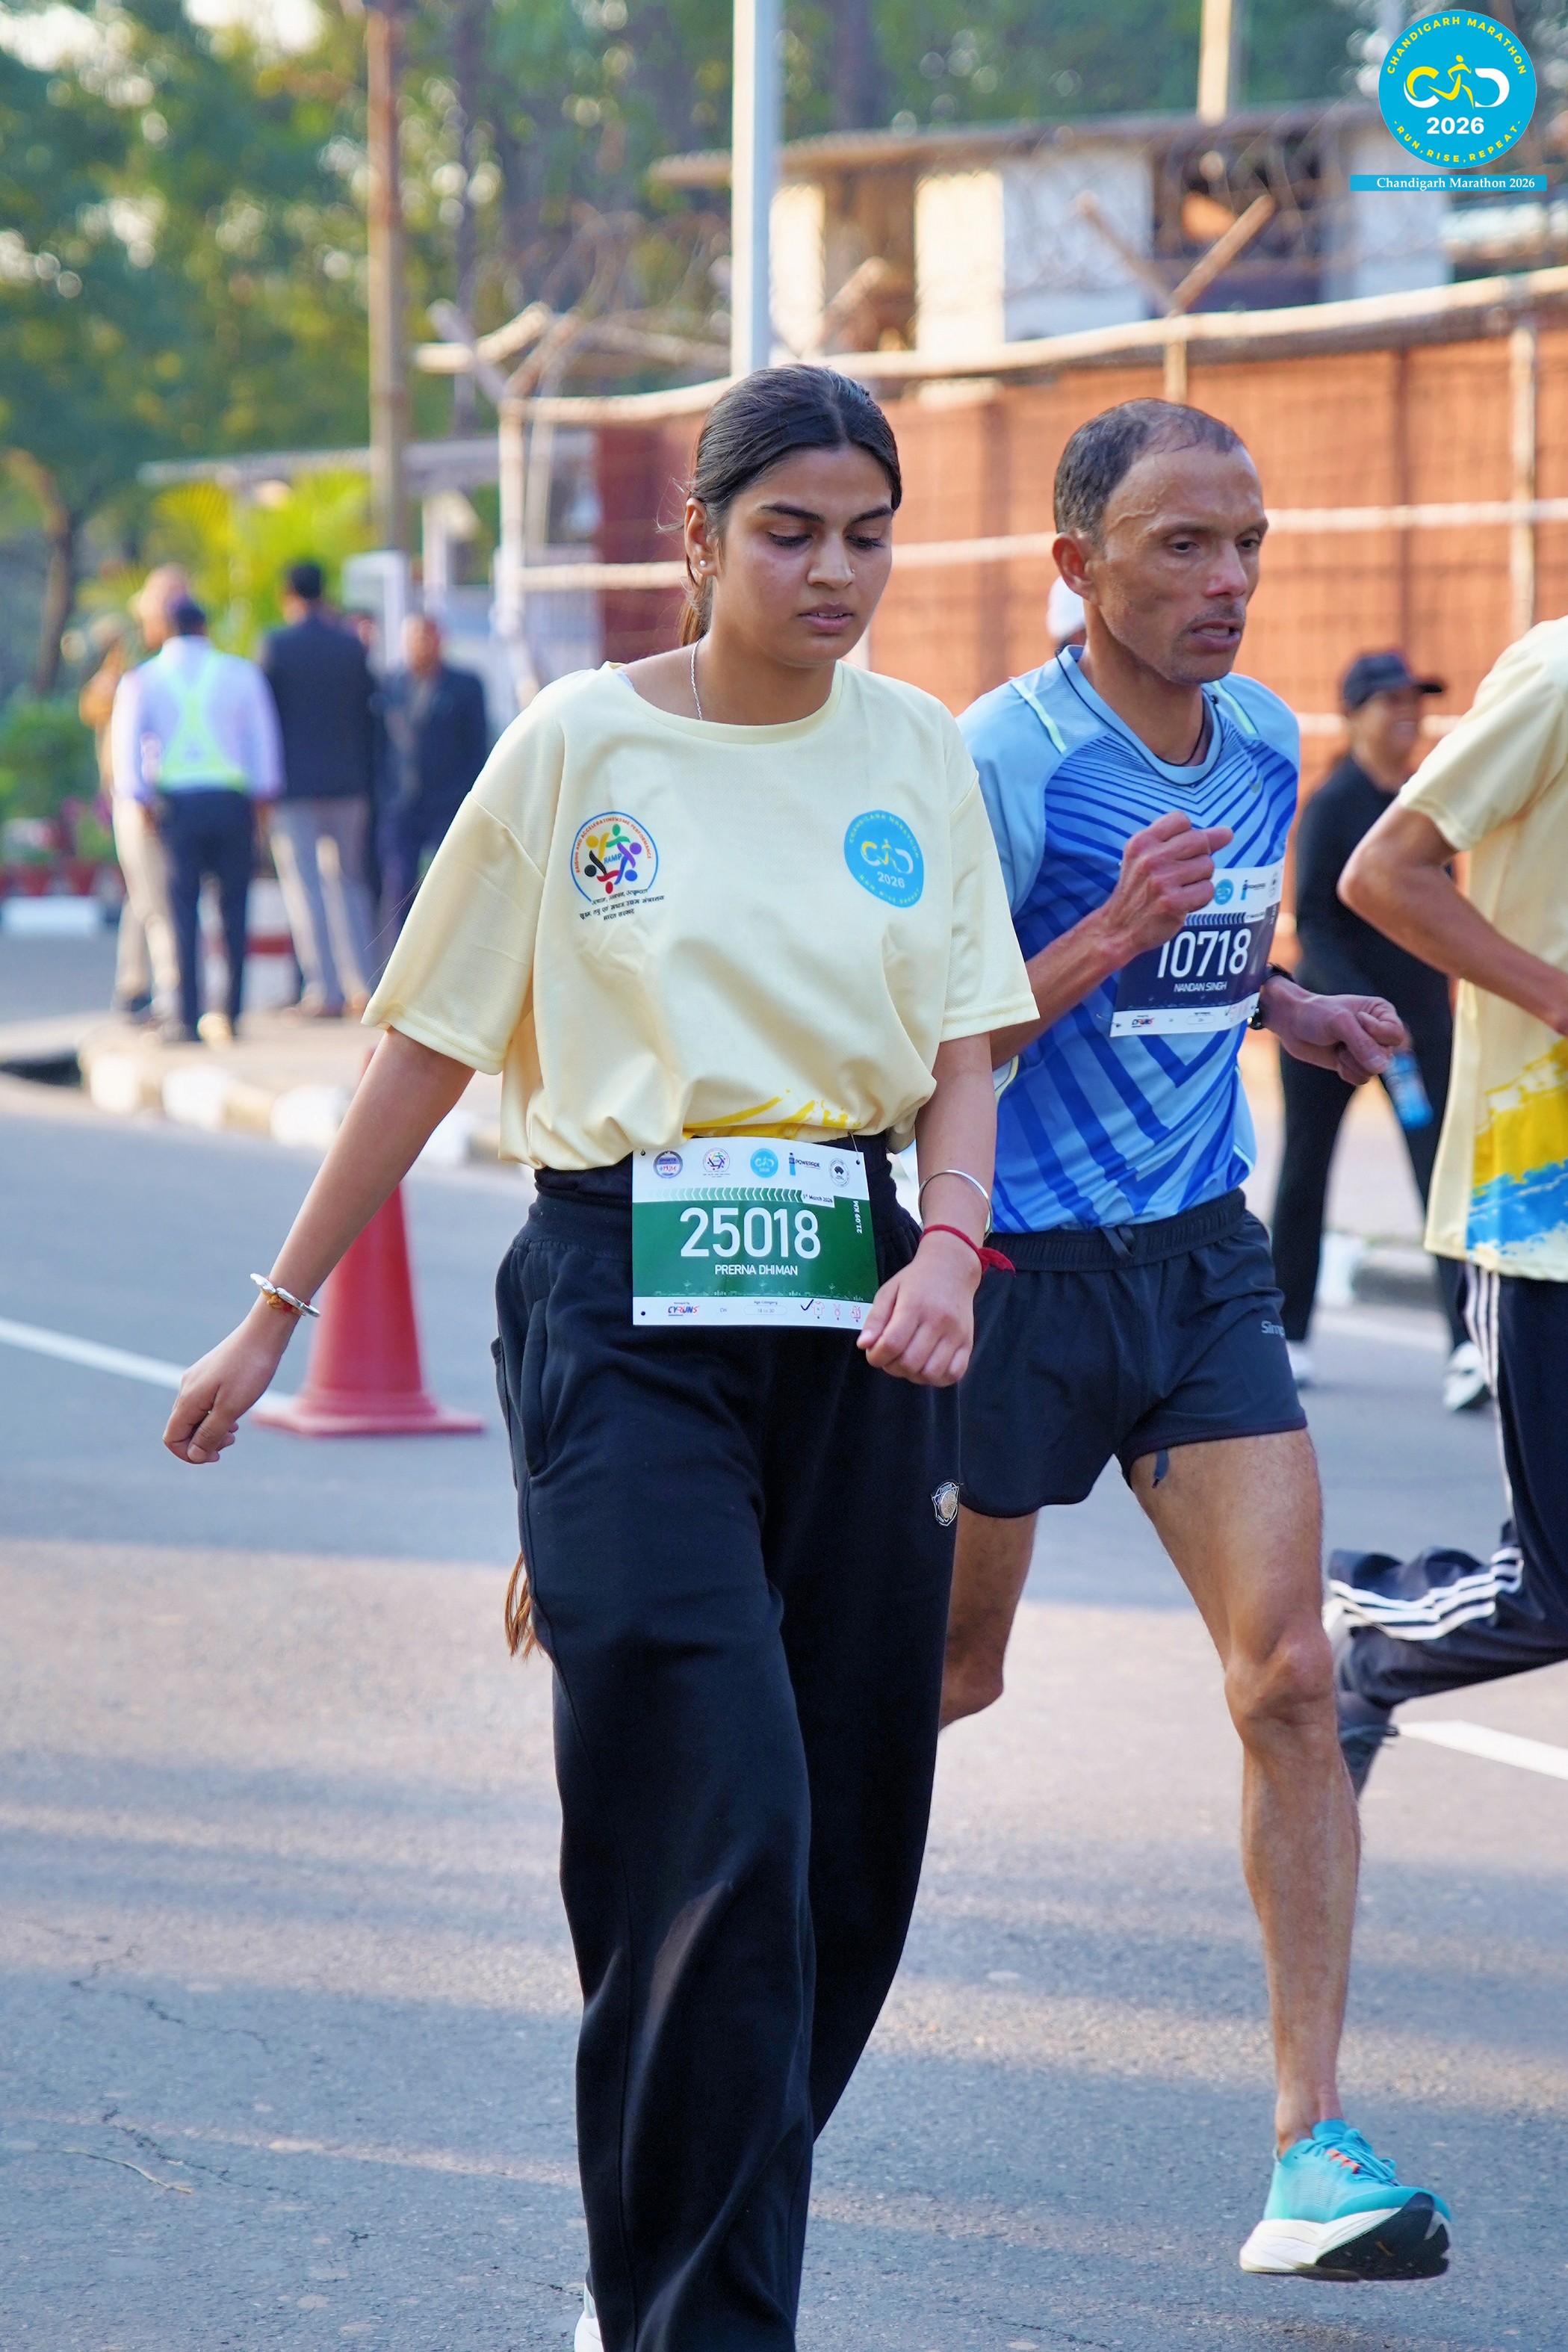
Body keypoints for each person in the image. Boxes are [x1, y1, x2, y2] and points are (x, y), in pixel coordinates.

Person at [159, 367, 1038, 2352]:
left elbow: (963, 1046)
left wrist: (952, 1249)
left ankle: (665, 2218)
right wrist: (275, 1309)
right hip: (619, 1304)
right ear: (698, 539)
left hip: (860, 1321)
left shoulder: (913, 748)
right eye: (787, 531)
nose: (832, 571)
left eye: (866, 534)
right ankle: (695, 2317)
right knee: (716, 1813)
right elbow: (426, 1044)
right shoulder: (576, 743)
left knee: (845, 1854)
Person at [943, 399, 1451, 2281]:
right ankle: (727, 2037)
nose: (1226, 578)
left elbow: (1211, 948)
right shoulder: (999, 758)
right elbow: (925, 1046)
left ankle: (1307, 2145)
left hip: (1194, 1267)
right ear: (1073, 565)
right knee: (943, 1674)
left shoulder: (1253, 735)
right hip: (1006, 1271)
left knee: (1288, 1679)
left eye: (1244, 540)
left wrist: (1290, 1007)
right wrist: (1095, 934)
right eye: (1179, 544)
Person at [1327, 620, 1568, 1793]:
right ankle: (1371, 1641)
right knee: (1555, 1595)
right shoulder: (1556, 677)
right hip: (1542, 1210)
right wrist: (1555, 997)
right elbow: (1379, 874)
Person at [1270, 651, 1484, 1408]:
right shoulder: (1332, 804)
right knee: (1304, 1172)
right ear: (1353, 714)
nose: (1406, 714)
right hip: (1332, 1029)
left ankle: (1466, 1347)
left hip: (1417, 1035)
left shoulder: (1421, 803)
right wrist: (1352, 1011)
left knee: (1439, 1177)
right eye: (1389, 702)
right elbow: (1315, 924)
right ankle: (1289, 1335)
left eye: (1413, 701)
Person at [111, 598, 282, 1044]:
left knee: (182, 910)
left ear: (168, 628)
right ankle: (232, 1012)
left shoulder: (144, 678)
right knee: (235, 908)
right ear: (205, 628)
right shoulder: (240, 673)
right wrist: (263, 803)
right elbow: (264, 743)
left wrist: (141, 802)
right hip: (231, 801)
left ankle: (188, 1017)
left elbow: (127, 750)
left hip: (177, 807)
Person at [261, 559, 379, 1016]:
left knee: (306, 887)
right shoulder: (350, 646)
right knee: (350, 884)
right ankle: (364, 987)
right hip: (349, 784)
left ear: (288, 596)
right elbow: (368, 716)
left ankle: (324, 991)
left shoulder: (277, 646)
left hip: (294, 788)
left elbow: (266, 720)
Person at [86, 568, 189, 1024]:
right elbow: (94, 705)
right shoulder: (130, 660)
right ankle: (160, 990)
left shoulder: (184, 655)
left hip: (169, 791)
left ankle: (139, 986)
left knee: (149, 894)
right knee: (151, 895)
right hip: (136, 793)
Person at [376, 613, 489, 935]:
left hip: (448, 802)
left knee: (451, 885)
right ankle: (402, 958)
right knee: (399, 886)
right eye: (414, 639)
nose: (421, 645)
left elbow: (477, 746)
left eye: (427, 637)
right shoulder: (390, 685)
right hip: (401, 802)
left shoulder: (465, 686)